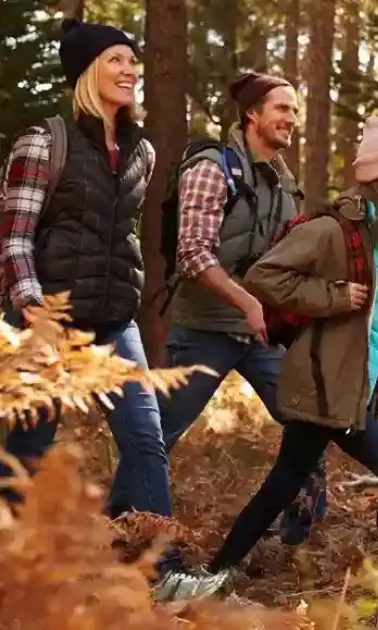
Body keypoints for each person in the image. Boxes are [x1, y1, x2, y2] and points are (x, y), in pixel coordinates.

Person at [0, 17, 230, 601]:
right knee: (26, 455)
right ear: (85, 72)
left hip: (113, 323)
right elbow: (14, 238)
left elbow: (119, 235)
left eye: (133, 62)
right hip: (45, 325)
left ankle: (163, 572)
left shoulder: (141, 151)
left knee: (146, 437)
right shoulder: (43, 142)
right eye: (116, 61)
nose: (130, 71)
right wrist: (35, 312)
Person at [106, 71, 327, 546]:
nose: (292, 118)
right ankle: (118, 530)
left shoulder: (287, 185)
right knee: (158, 437)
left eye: (294, 109)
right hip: (205, 328)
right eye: (281, 108)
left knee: (309, 422)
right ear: (252, 114)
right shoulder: (211, 168)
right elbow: (192, 254)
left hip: (264, 334)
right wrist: (247, 300)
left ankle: (298, 545)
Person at [205, 116, 378, 583]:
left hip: (348, 382)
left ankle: (216, 570)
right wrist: (333, 296)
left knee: (283, 483)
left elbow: (373, 310)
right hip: (326, 384)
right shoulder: (333, 229)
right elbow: (264, 275)